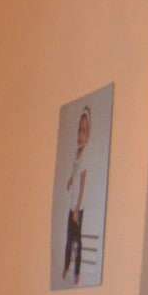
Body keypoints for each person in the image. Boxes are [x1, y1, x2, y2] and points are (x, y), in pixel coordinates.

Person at [62, 106, 92, 283]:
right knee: (68, 239)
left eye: (84, 131)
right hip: (72, 205)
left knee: (77, 241)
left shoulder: (85, 157)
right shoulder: (76, 155)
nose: (80, 135)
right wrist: (69, 179)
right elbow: (75, 175)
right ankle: (66, 267)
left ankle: (77, 273)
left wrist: (76, 210)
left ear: (88, 136)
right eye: (79, 130)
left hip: (77, 208)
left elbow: (82, 186)